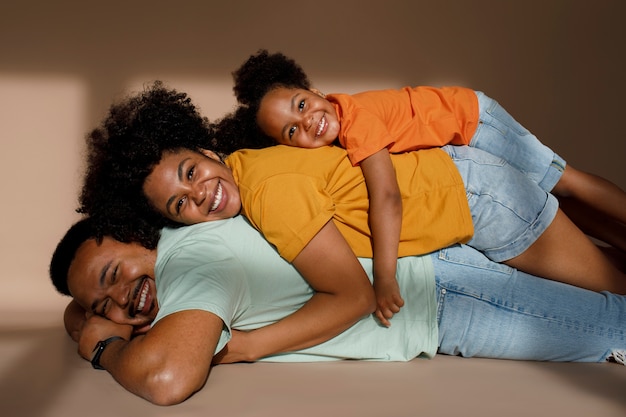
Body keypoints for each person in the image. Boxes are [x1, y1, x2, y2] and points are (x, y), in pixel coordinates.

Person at [79, 80, 625, 327]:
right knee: (599, 260)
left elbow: (354, 296)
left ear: (205, 149)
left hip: (474, 199)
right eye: (180, 206)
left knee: (614, 289)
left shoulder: (267, 191)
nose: (198, 195)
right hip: (461, 188)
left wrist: (248, 348)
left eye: (190, 173)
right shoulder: (255, 161)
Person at [50, 216, 626, 406]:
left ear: (134, 234)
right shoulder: (177, 259)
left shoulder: (191, 263)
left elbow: (169, 377)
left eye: (114, 276)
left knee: (612, 329)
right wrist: (84, 314)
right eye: (105, 305)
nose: (124, 299)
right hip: (438, 283)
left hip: (445, 295)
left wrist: (100, 344)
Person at [230, 50, 626, 319]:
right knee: (554, 200)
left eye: (302, 105)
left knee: (565, 181)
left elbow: (387, 197)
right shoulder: (339, 131)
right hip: (463, 134)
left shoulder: (357, 121)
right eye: (292, 131)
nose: (308, 122)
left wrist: (384, 277)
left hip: (472, 121)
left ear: (314, 90)